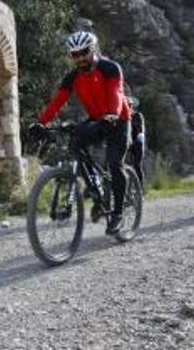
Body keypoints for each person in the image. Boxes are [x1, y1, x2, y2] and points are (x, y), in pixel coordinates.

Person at [34, 31, 130, 235]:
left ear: (93, 50)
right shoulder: (72, 78)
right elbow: (57, 102)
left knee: (114, 164)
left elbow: (116, 93)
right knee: (74, 144)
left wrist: (112, 114)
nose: (80, 58)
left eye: (84, 52)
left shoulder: (110, 68)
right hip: (96, 120)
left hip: (118, 121)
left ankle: (118, 213)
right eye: (74, 54)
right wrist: (41, 123)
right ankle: (95, 187)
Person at [124, 94, 146, 189]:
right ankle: (128, 188)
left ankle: (140, 188)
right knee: (125, 166)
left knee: (137, 165)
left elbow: (141, 129)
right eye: (127, 105)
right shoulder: (124, 117)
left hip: (138, 142)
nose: (129, 107)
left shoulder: (137, 116)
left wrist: (140, 136)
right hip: (127, 142)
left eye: (130, 105)